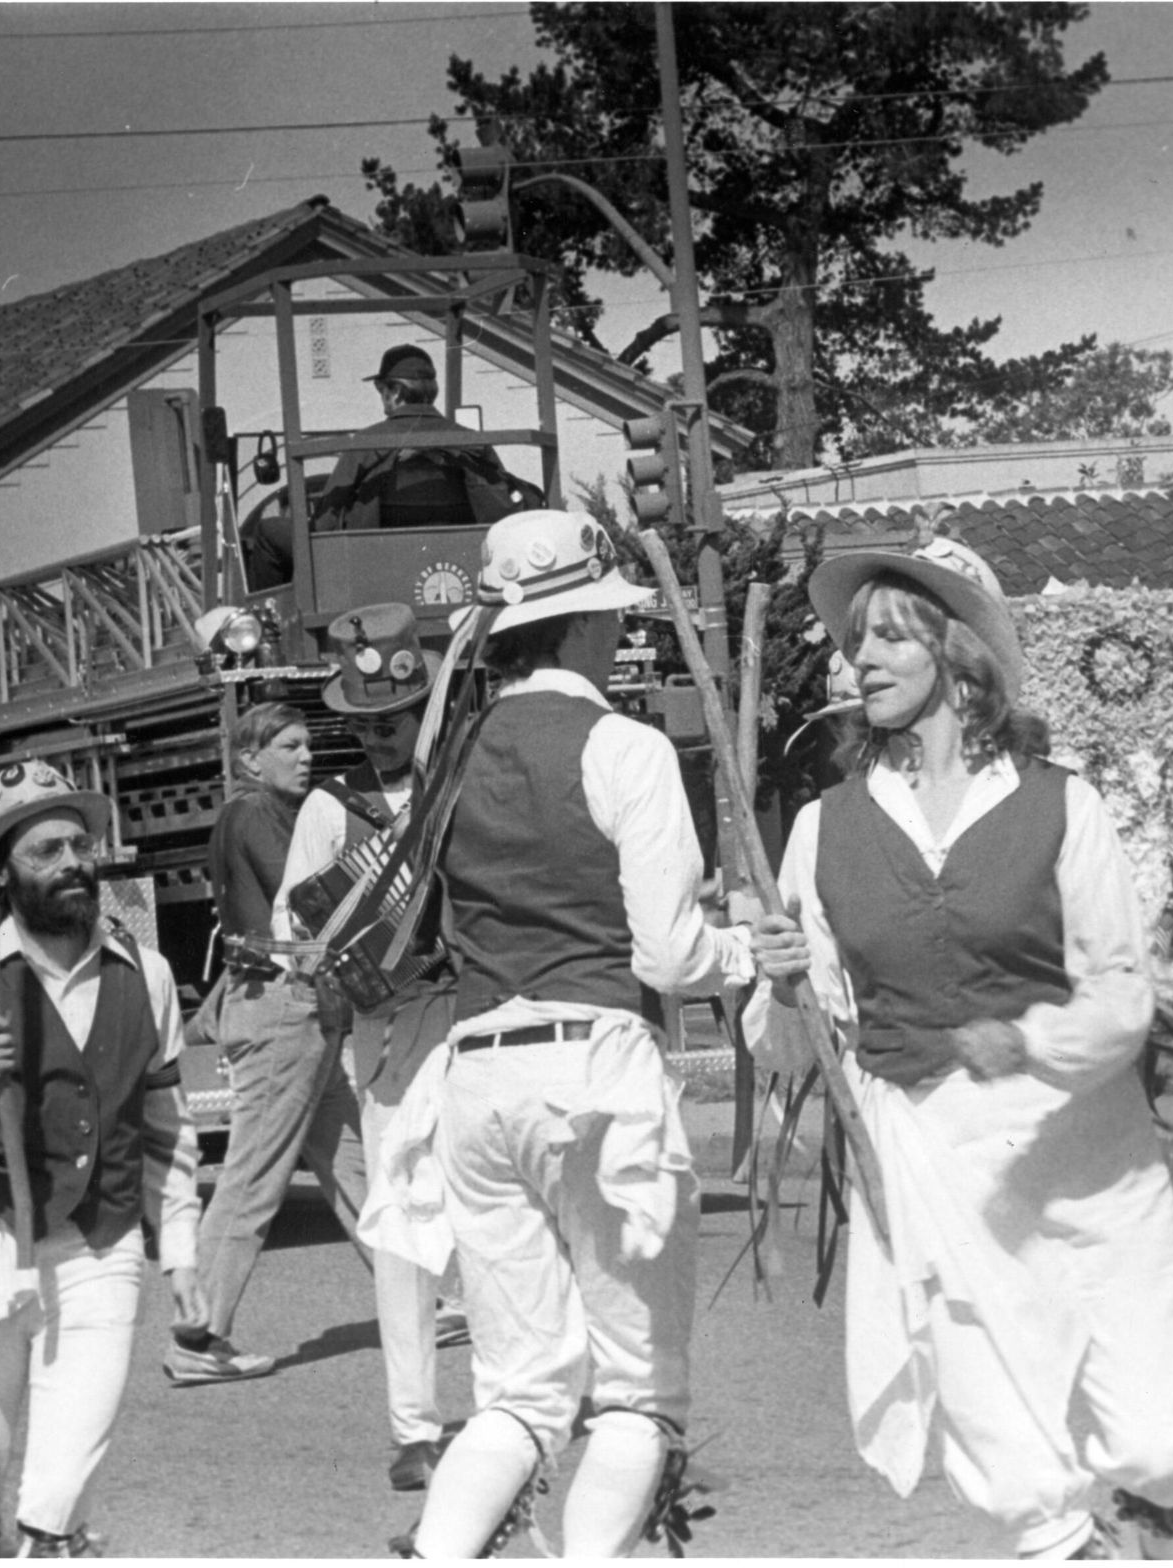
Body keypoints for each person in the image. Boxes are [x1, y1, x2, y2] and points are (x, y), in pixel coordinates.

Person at [746, 536, 1173, 1561]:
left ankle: (1169, 1503)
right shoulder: (822, 830)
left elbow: (1121, 992)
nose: (860, 660)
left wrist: (1025, 1039)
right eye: (855, 641)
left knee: (1156, 1434)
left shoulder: (1062, 804)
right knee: (1008, 1447)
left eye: (890, 638)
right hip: (926, 1148)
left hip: (1078, 1140)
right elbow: (793, 1044)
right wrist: (781, 982)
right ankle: (1061, 1543)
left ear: (956, 656)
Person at [374, 510, 752, 1557]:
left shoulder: (448, 755)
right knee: (636, 1388)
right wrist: (746, 952)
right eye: (609, 619)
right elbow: (668, 956)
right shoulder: (624, 746)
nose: (618, 634)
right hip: (595, 1067)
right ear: (584, 628)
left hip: (473, 1075)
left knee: (520, 1390)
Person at [0, 761, 203, 1557]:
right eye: (45, 851)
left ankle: (49, 1535)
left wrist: (182, 1250)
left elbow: (166, 1130)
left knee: (55, 1501)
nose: (71, 863)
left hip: (102, 1247)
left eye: (79, 845)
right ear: (2, 873)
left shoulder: (148, 974)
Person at [273, 603, 459, 1492]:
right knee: (402, 1224)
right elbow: (292, 924)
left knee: (500, 1212)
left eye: (396, 718)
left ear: (425, 710)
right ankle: (413, 1427)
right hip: (389, 1031)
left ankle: (520, 1403)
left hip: (475, 1015)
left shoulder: (458, 787)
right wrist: (328, 955)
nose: (380, 736)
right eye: (366, 723)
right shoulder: (327, 807)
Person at [171, 701, 370, 1385]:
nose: (306, 756)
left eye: (308, 745)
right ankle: (198, 1338)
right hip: (282, 1004)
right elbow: (311, 894)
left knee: (352, 1165)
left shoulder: (276, 812)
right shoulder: (252, 812)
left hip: (301, 1004)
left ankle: (424, 1300)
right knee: (253, 1176)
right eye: (289, 746)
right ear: (250, 759)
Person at [314, 345, 533, 534]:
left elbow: (325, 522)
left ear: (396, 391)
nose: (381, 396)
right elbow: (503, 504)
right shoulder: (472, 441)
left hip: (379, 557)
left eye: (381, 389)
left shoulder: (365, 443)